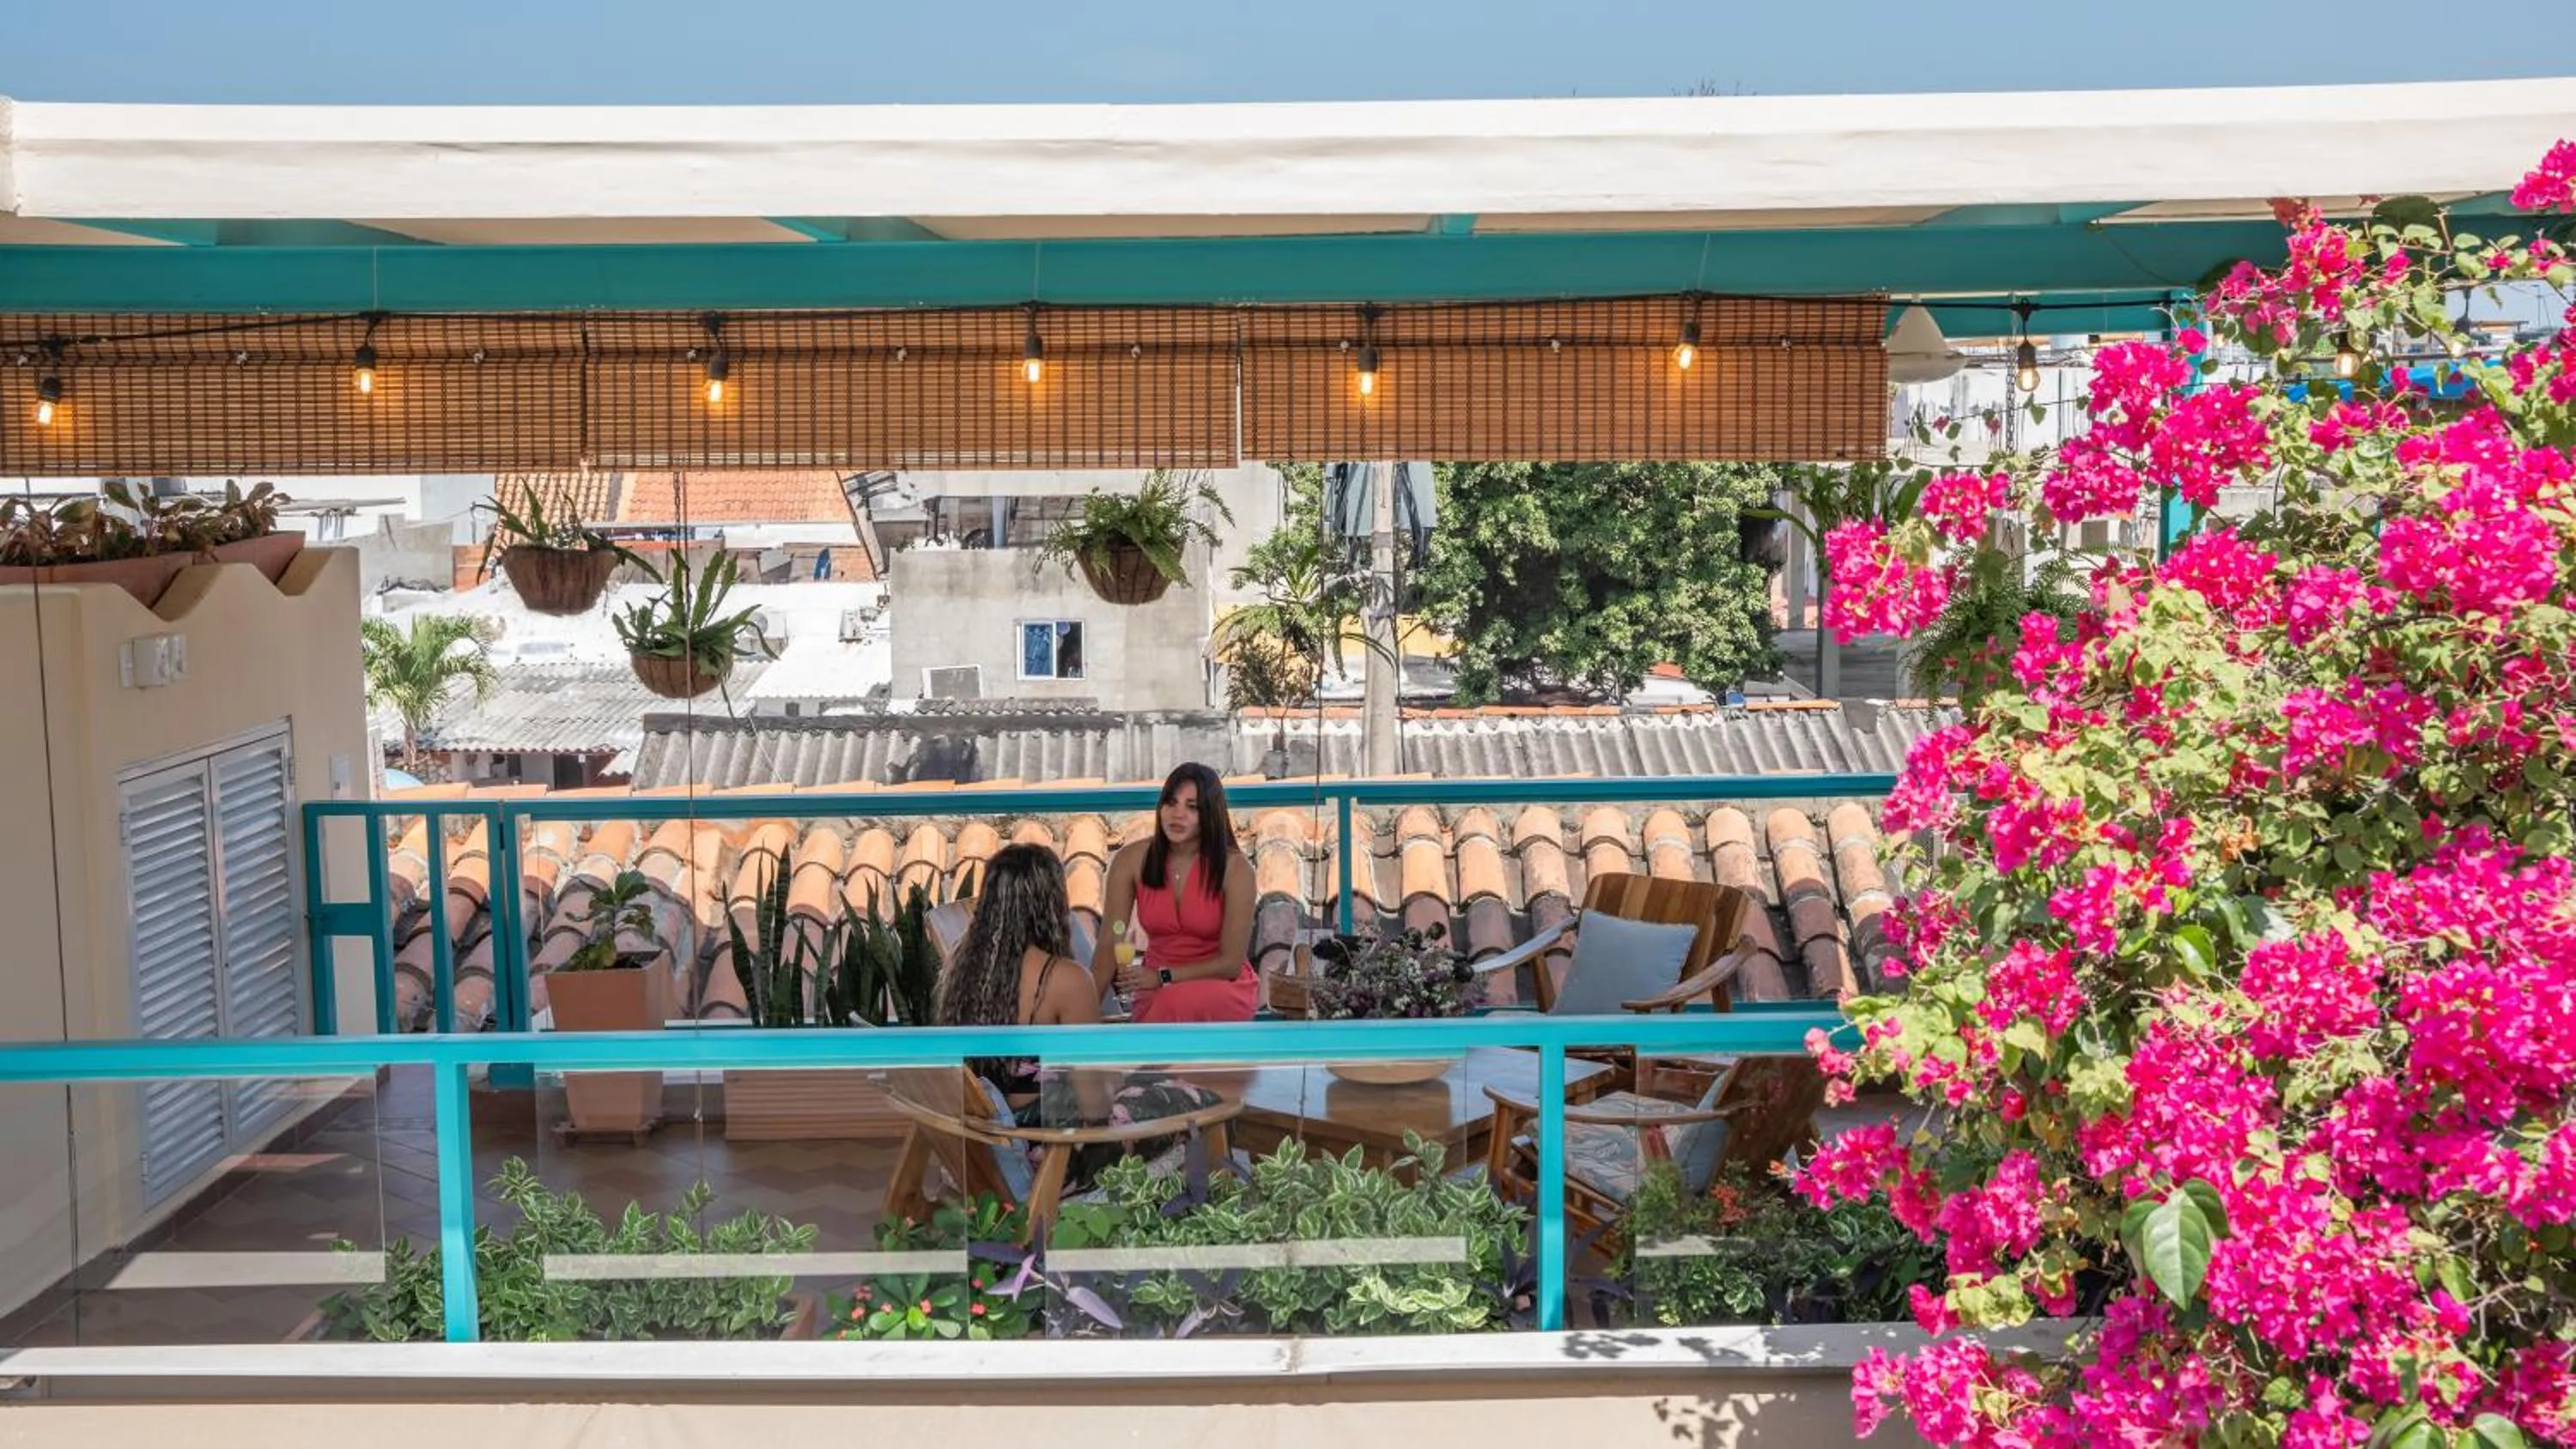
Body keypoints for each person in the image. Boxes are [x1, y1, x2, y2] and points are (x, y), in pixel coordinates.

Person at [935, 842, 1103, 1120]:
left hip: (983, 1135)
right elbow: (1095, 1106)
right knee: (1189, 1098)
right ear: (1052, 903)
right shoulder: (1066, 979)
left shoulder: (961, 965)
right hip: (1047, 1145)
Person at [1097, 762, 1259, 1023]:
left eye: (1192, 807)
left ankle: (1149, 1062)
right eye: (1171, 803)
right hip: (1154, 988)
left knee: (1172, 1001)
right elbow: (1109, 941)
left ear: (1210, 814)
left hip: (1220, 986)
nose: (1177, 814)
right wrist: (1084, 1012)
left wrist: (1163, 976)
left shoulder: (1236, 869)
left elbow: (1230, 964)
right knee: (1167, 1002)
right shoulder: (1131, 860)